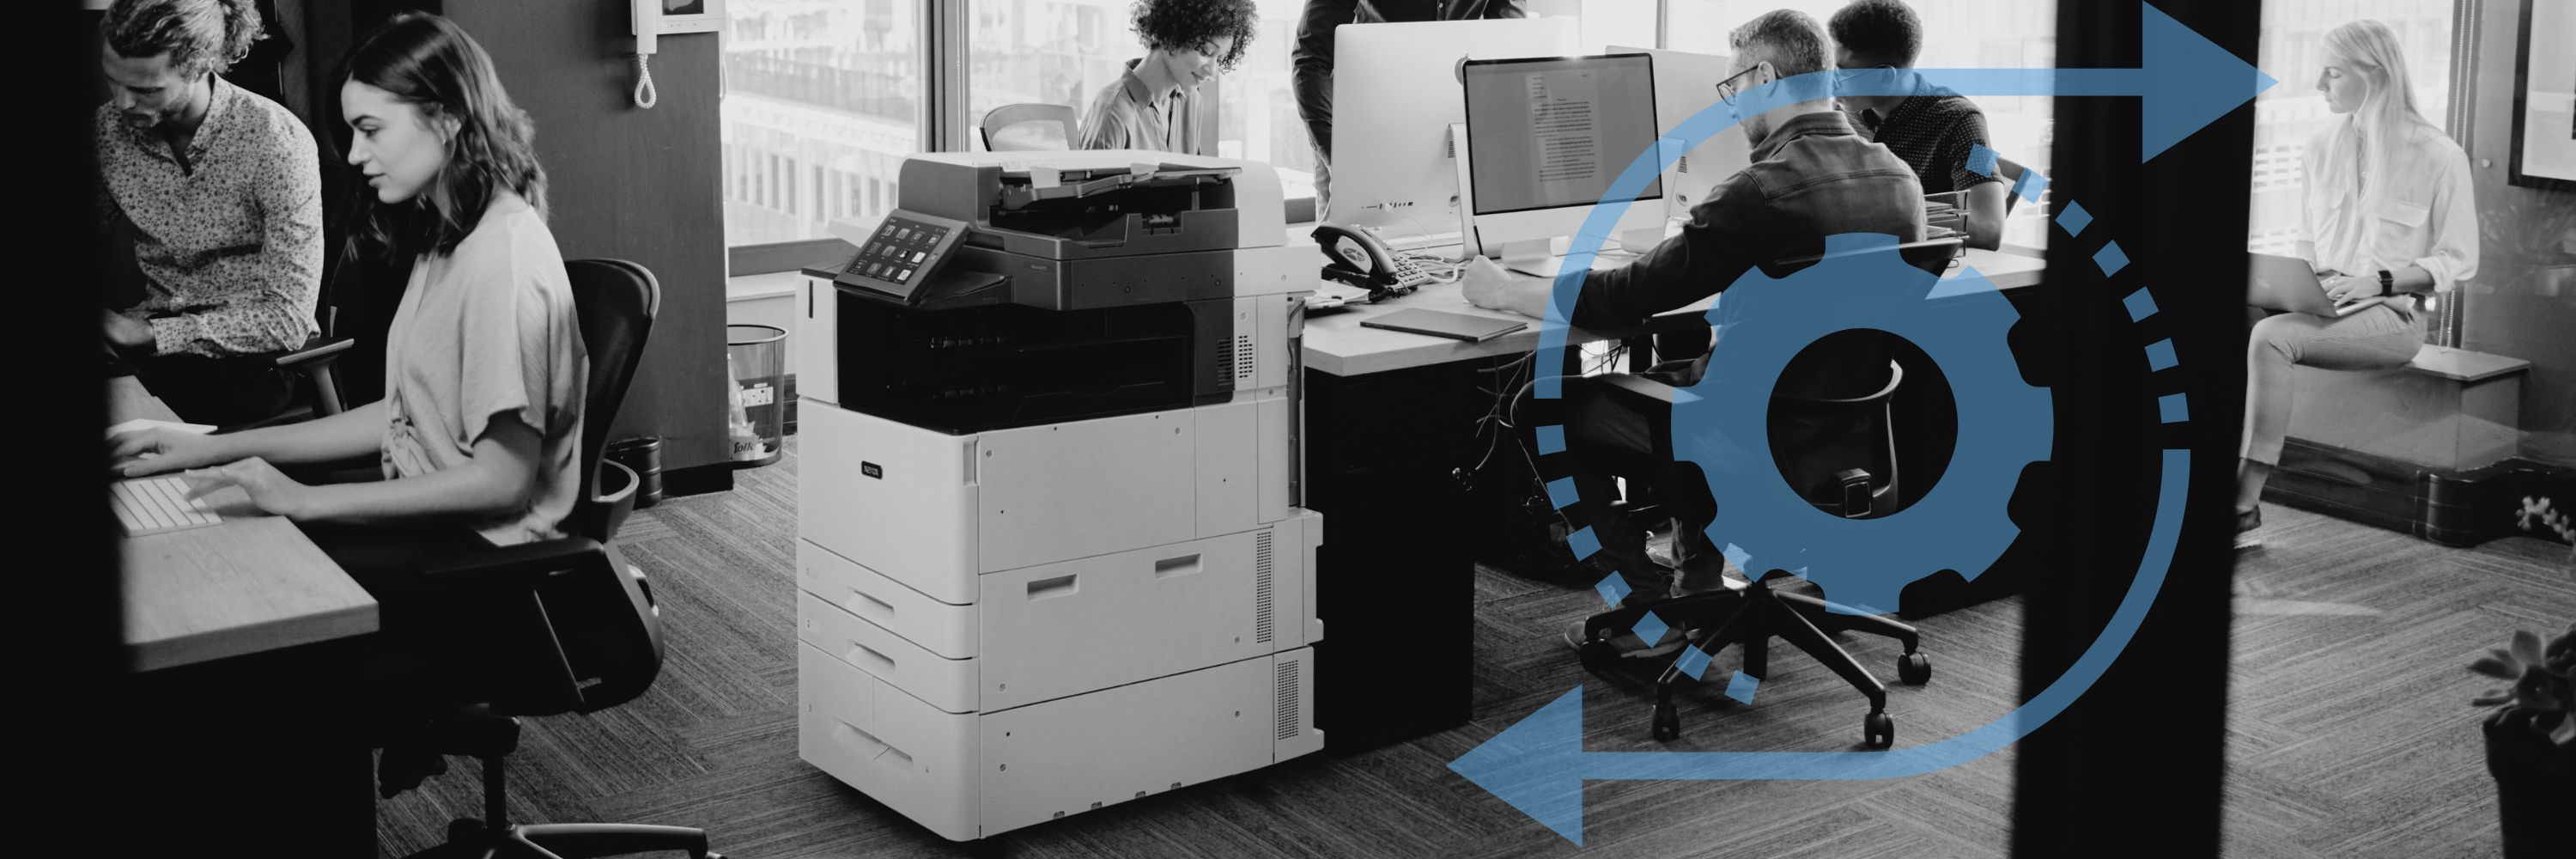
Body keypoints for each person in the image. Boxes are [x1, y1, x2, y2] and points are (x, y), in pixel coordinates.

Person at [109, 12, 588, 790]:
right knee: (232, 536)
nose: (355, 155)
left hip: (478, 563)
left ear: (446, 116)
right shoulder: (452, 232)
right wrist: (215, 446)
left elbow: (501, 480)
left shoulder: (500, 258)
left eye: (370, 129)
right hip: (437, 525)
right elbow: (403, 411)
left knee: (247, 601)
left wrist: (301, 502)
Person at [1458, 10, 1923, 638]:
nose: (1732, 108)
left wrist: (1504, 289)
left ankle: (1647, 597)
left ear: (1765, 76)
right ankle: (1696, 587)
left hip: (1750, 440)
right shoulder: (1901, 179)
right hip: (1841, 434)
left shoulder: (1759, 191)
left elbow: (1624, 298)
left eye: (1734, 87)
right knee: (1698, 367)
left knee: (1539, 405)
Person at [2236, 21, 2476, 539]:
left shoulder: (2439, 156)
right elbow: (2307, 240)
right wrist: (2301, 282)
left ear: (2376, 74)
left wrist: (2379, 283)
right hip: (2326, 298)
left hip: (2393, 316)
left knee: (2272, 337)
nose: (2320, 84)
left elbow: (2459, 261)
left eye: (2333, 72)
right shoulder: (2320, 146)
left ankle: (2244, 501)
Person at [97, 0, 322, 426]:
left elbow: (288, 319)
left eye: (146, 90)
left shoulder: (275, 141)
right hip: (153, 344)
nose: (123, 103)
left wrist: (149, 334)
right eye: (113, 81)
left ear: (199, 67)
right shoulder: (108, 131)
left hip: (252, 359)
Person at [1291, 0, 1526, 215]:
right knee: (1347, 252)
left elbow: (1514, 46)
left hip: (1448, 120)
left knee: (1447, 245)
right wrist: (1339, 160)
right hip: (1358, 132)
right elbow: (1311, 60)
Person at [1826, 0, 2007, 251]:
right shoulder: (1843, 111)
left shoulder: (1963, 123)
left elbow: (1988, 227)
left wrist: (1891, 217)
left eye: (1841, 74)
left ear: (1884, 77)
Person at [1077, 0, 1261, 155]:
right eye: (1206, 51)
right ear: (1172, 34)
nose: (1212, 72)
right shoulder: (1113, 113)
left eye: (1220, 59)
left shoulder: (1191, 101)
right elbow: (1094, 198)